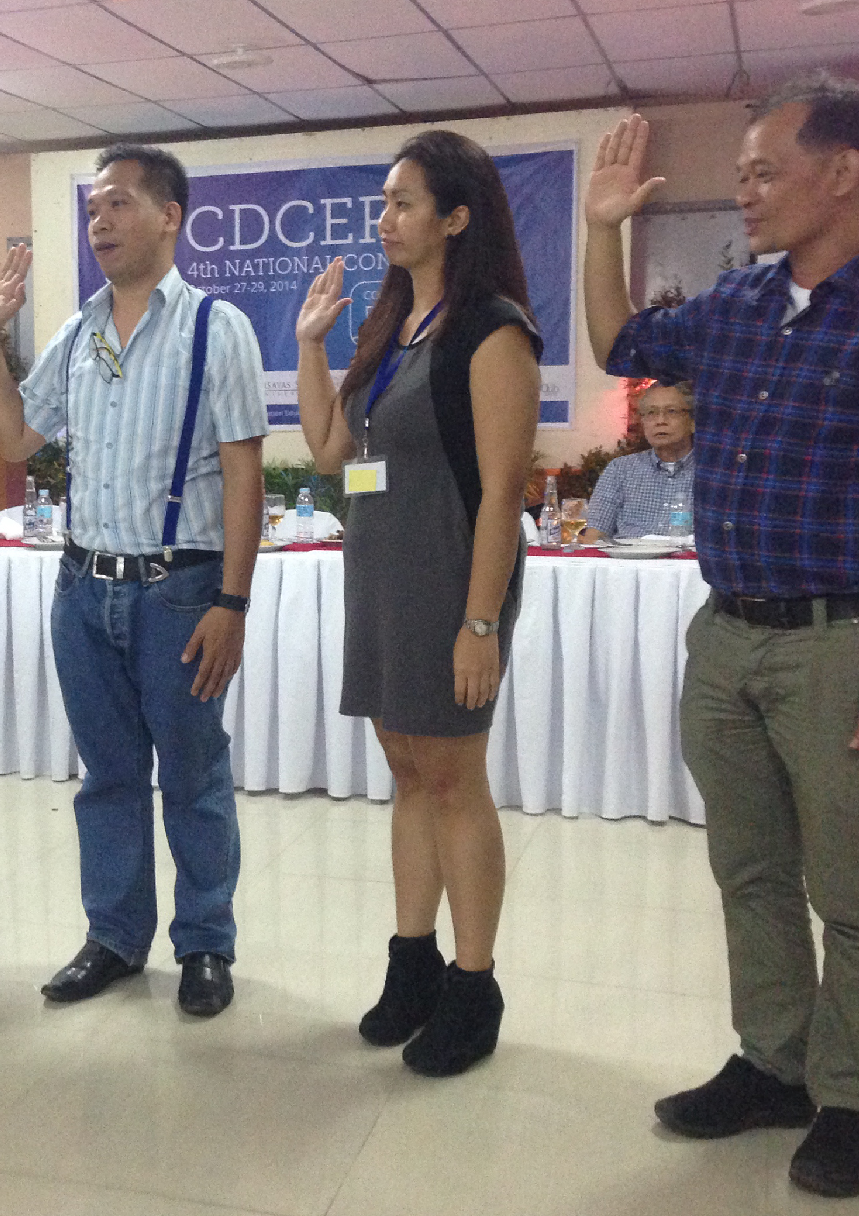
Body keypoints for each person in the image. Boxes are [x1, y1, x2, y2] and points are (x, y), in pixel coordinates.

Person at [583, 74, 859, 1198]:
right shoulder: (741, 304)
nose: (744, 193)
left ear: (842, 172)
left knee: (849, 888)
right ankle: (774, 1064)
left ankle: (855, 1097)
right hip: (726, 636)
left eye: (762, 170)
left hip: (835, 642)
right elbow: (619, 342)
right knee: (747, 870)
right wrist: (600, 230)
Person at [0, 142, 268, 1019]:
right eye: (93, 208)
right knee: (108, 775)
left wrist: (233, 602)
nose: (100, 221)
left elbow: (244, 474)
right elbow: (18, 437)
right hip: (82, 588)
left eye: (121, 204)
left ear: (170, 217)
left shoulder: (219, 327)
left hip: (181, 589)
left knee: (194, 774)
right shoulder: (81, 330)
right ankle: (115, 937)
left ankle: (206, 943)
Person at [293, 129, 542, 1075]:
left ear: (457, 217)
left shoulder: (492, 330)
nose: (385, 219)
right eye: (384, 203)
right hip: (382, 580)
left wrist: (480, 623)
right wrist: (314, 346)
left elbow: (504, 489)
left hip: (450, 585)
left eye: (403, 203)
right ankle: (414, 965)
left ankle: (474, 987)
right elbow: (327, 451)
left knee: (453, 780)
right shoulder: (393, 329)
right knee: (406, 772)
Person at [580, 381, 696, 544]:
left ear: (693, 422)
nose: (660, 421)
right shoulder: (620, 470)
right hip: (628, 566)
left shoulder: (714, 472)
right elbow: (595, 536)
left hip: (689, 567)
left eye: (671, 411)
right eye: (651, 413)